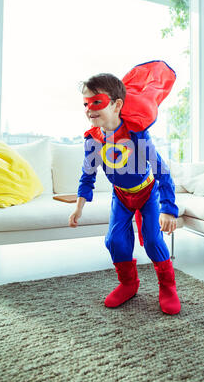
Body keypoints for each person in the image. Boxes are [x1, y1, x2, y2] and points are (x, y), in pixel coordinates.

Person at [69, 61, 181, 315]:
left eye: (96, 102)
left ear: (117, 104)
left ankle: (168, 287)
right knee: (115, 241)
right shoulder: (93, 140)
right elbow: (87, 175)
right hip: (121, 197)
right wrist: (78, 208)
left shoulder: (137, 135)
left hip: (147, 193)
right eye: (86, 104)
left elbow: (162, 171)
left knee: (153, 240)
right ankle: (128, 284)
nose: (89, 109)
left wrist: (169, 209)